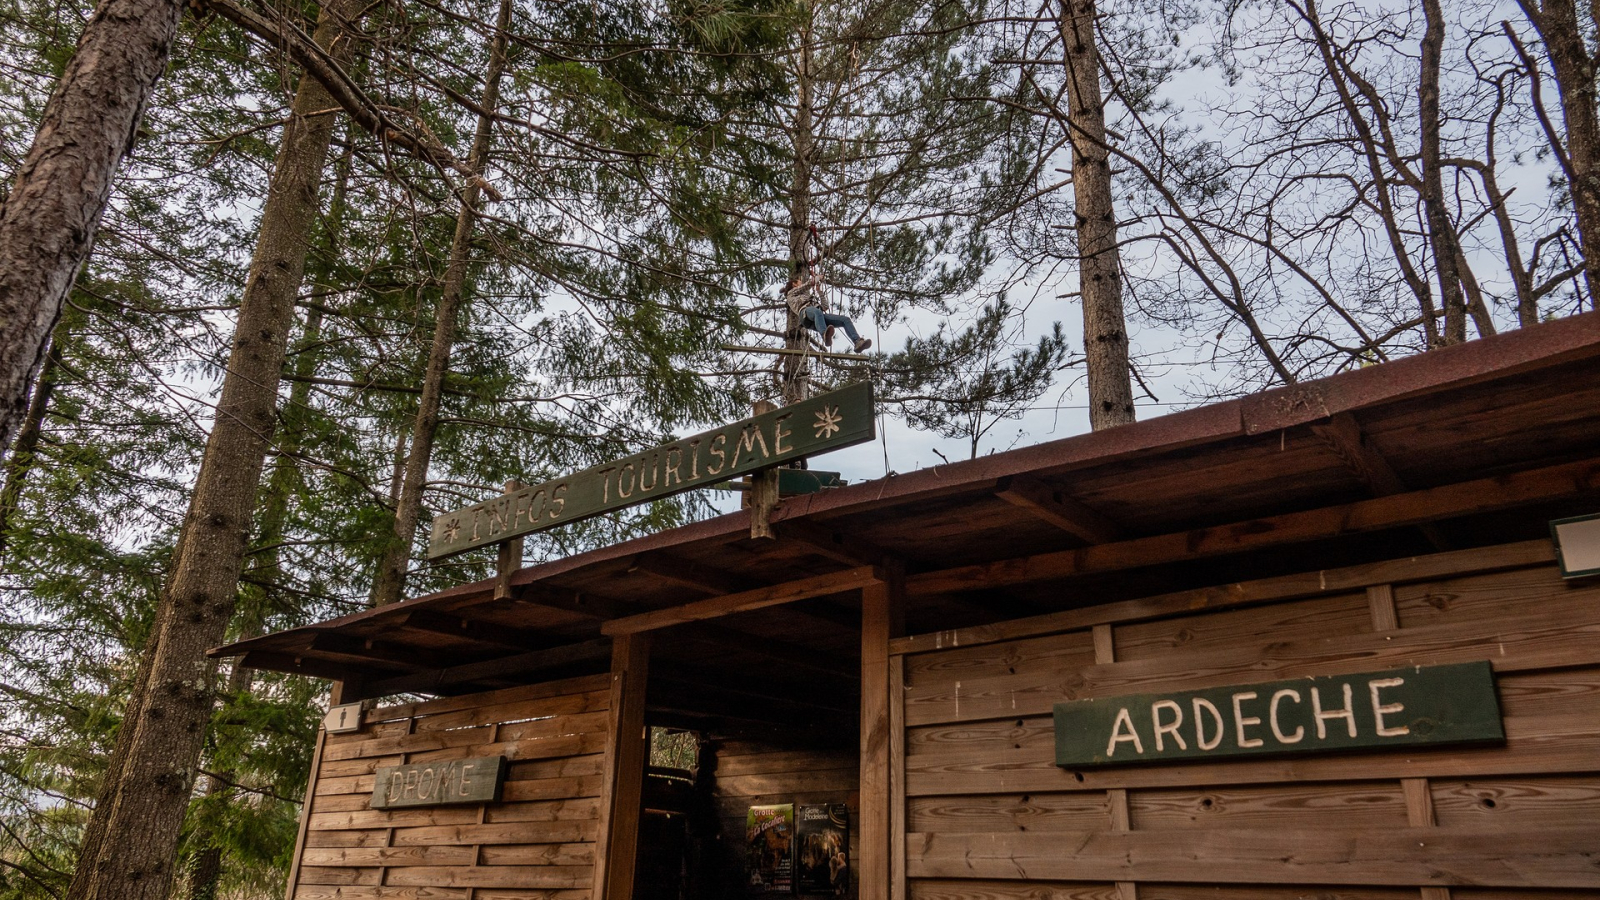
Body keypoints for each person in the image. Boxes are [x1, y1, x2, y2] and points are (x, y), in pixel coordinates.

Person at [784, 261, 871, 352]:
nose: (801, 284)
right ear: (794, 284)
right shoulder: (791, 293)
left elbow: (825, 307)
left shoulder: (806, 297)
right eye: (799, 283)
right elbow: (807, 285)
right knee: (817, 312)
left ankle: (857, 342)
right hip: (805, 314)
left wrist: (820, 292)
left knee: (845, 320)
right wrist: (816, 278)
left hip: (817, 316)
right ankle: (824, 334)